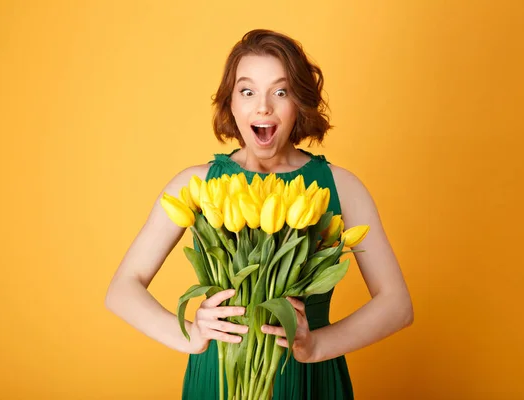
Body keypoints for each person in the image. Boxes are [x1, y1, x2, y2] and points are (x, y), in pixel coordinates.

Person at [105, 29, 414, 399]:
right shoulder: (196, 185)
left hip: (307, 380)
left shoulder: (340, 187)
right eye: (247, 91)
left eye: (280, 92)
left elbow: (397, 305)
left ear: (299, 102)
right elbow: (122, 289)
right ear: (230, 104)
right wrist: (191, 334)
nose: (263, 107)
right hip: (218, 378)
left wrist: (316, 345)